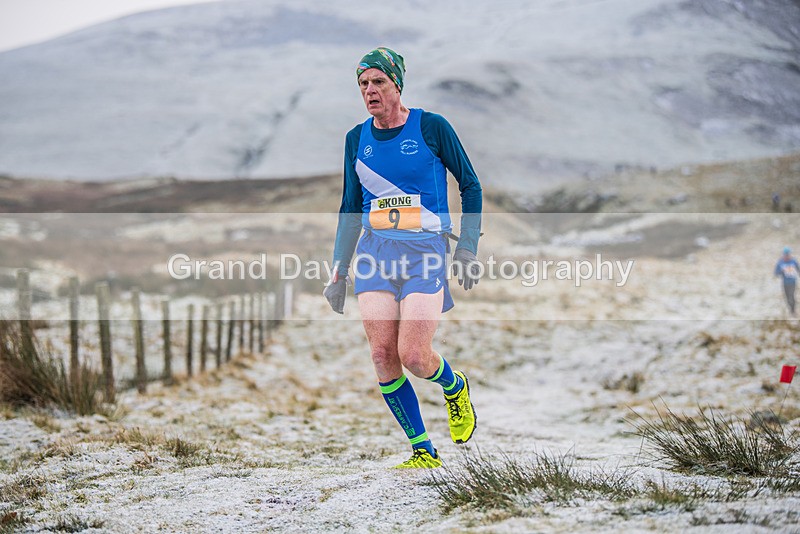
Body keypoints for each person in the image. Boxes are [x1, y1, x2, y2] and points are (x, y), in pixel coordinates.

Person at [323, 47, 483, 468]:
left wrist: (467, 246)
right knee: (382, 355)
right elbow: (350, 208)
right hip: (375, 254)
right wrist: (338, 271)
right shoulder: (356, 140)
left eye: (378, 82)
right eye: (362, 84)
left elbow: (471, 185)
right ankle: (422, 451)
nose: (369, 91)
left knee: (414, 355)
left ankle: (454, 386)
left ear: (397, 84)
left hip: (425, 252)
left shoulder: (431, 127)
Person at [774, 246, 799, 316]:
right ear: (783, 255)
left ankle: (793, 311)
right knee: (787, 297)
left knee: (791, 296)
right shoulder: (780, 262)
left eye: (789, 254)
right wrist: (781, 271)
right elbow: (776, 273)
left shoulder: (793, 261)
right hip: (785, 283)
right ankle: (791, 309)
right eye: (786, 254)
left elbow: (798, 269)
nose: (788, 256)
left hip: (793, 282)